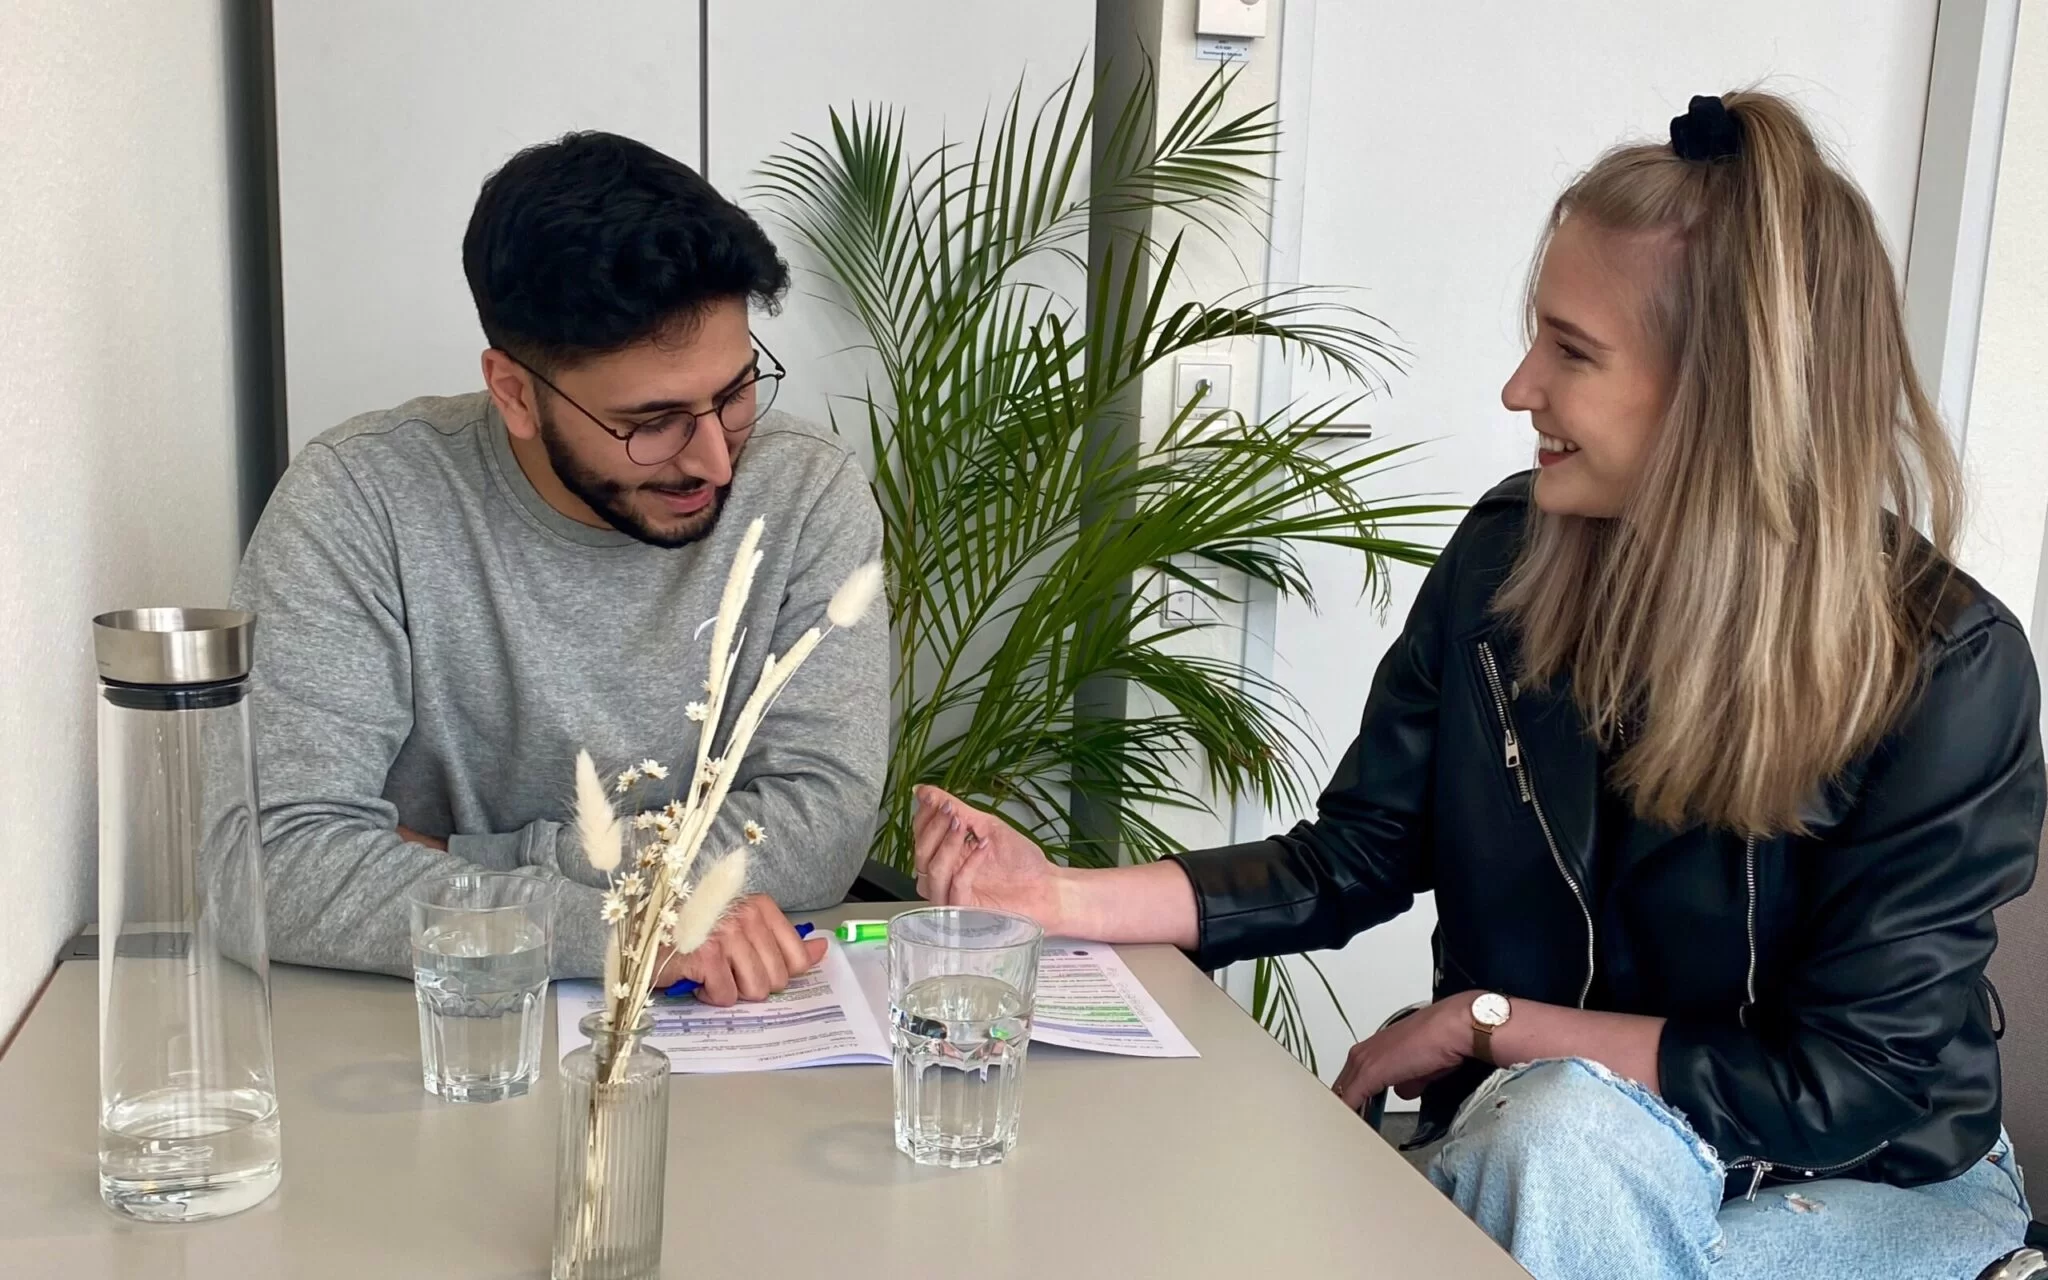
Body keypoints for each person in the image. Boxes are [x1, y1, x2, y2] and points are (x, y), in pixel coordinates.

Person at [910, 92, 2042, 1278]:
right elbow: (1349, 857)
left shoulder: (1945, 668)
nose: (1516, 388)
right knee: (1550, 1148)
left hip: (1861, 1184)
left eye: (1570, 350)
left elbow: (1843, 1083)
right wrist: (1058, 898)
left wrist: (1491, 1025)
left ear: (1719, 397)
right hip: (1559, 1159)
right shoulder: (1503, 562)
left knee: (1550, 1143)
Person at [235, 132, 888, 1005]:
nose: (716, 462)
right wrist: (624, 924)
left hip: (735, 1025)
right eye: (651, 420)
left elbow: (821, 826)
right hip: (430, 1034)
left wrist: (482, 861)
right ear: (513, 392)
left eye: (734, 394)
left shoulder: (807, 491)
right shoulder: (359, 503)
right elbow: (275, 862)